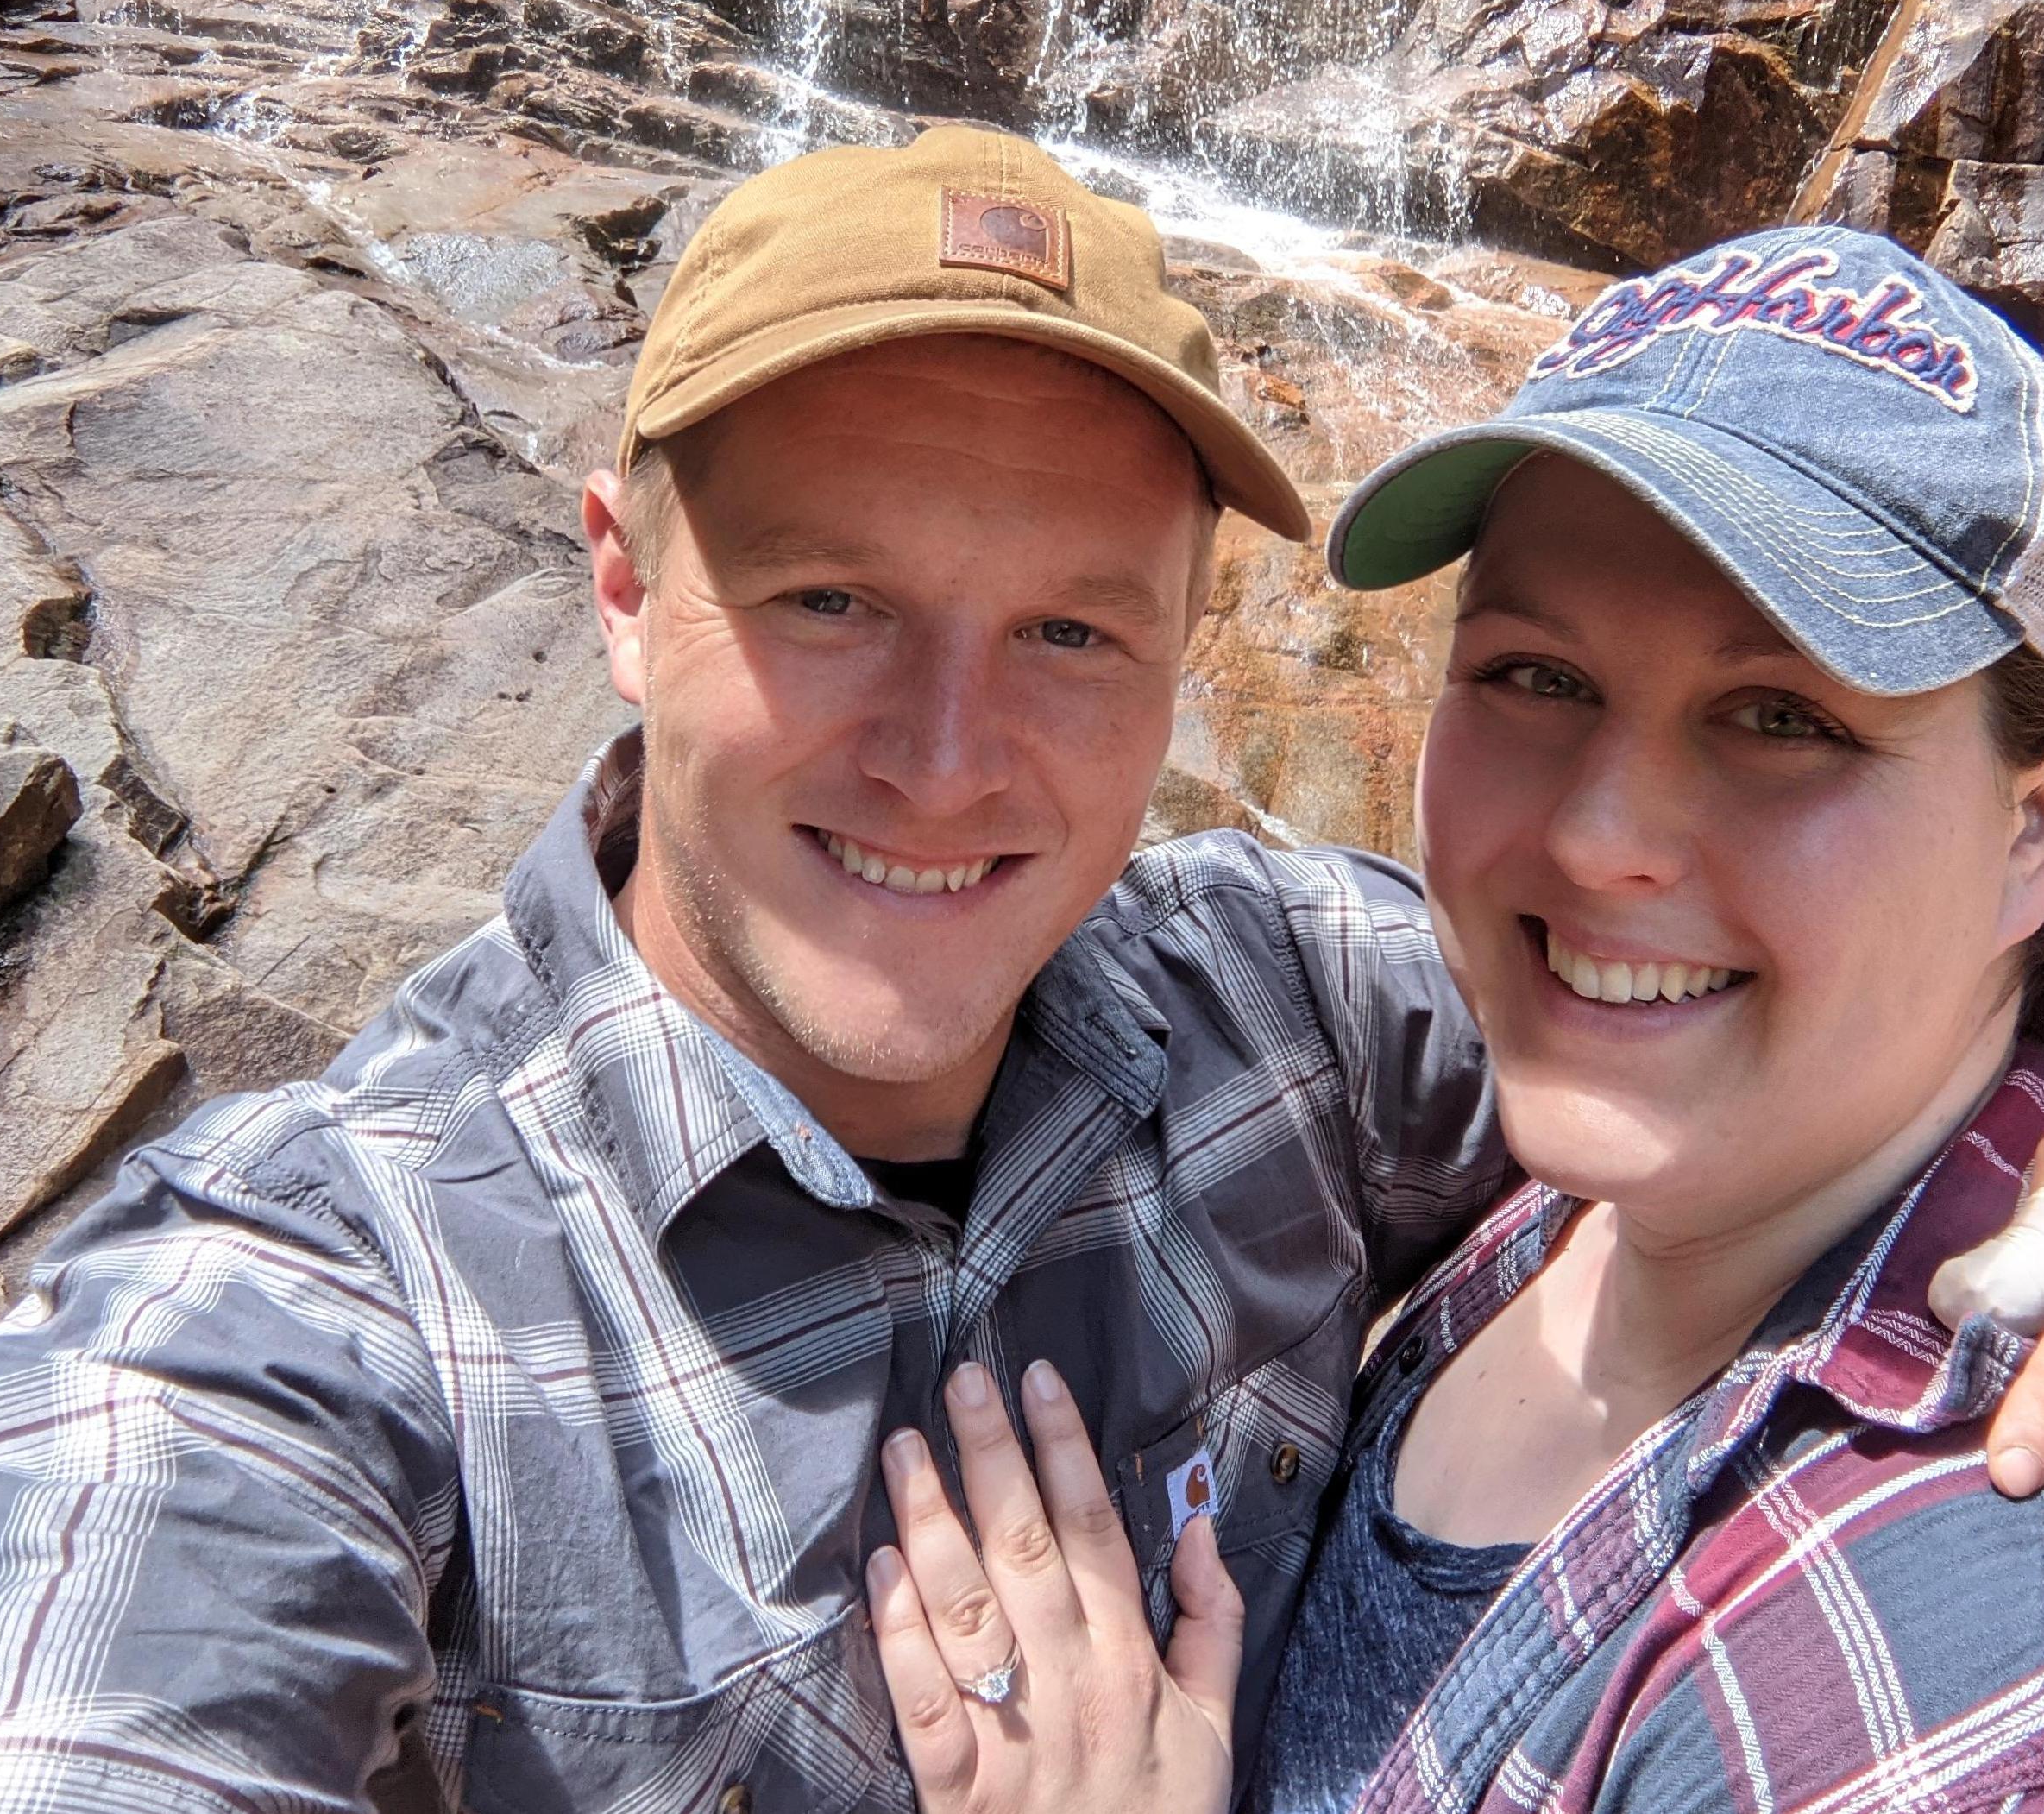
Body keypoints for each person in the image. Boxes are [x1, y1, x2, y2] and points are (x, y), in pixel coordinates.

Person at [0, 123, 1514, 1811]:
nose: (944, 759)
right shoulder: (317, 1309)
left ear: (1182, 651)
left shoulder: (1296, 1002)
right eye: (833, 599)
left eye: (1071, 632)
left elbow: (1766, 1060)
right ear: (623, 585)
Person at [868, 224, 2044, 1814]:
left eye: (1782, 718)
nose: (1591, 836)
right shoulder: (1554, 1168)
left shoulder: (1909, 1684)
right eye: (1534, 676)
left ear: (2025, 829)